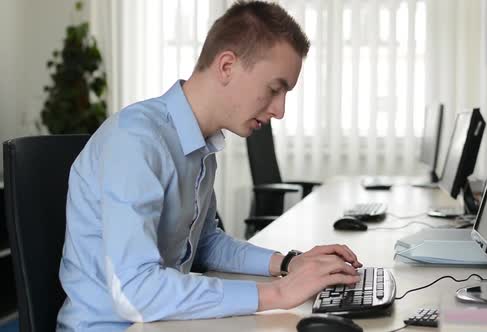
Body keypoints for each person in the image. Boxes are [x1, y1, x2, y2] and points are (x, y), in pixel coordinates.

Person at [57, 1, 362, 331]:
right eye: (274, 89)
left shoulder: (200, 145)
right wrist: (278, 293)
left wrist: (289, 263)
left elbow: (204, 244)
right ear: (227, 66)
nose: (280, 110)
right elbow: (136, 292)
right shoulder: (136, 142)